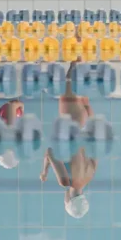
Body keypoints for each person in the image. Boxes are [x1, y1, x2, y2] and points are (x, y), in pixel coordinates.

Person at [41, 60, 97, 219]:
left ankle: (81, 43)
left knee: (77, 75)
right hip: (72, 121)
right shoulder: (66, 182)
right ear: (70, 200)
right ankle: (77, 39)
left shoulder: (89, 175)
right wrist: (44, 171)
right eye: (65, 202)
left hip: (86, 119)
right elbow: (50, 152)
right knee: (71, 73)